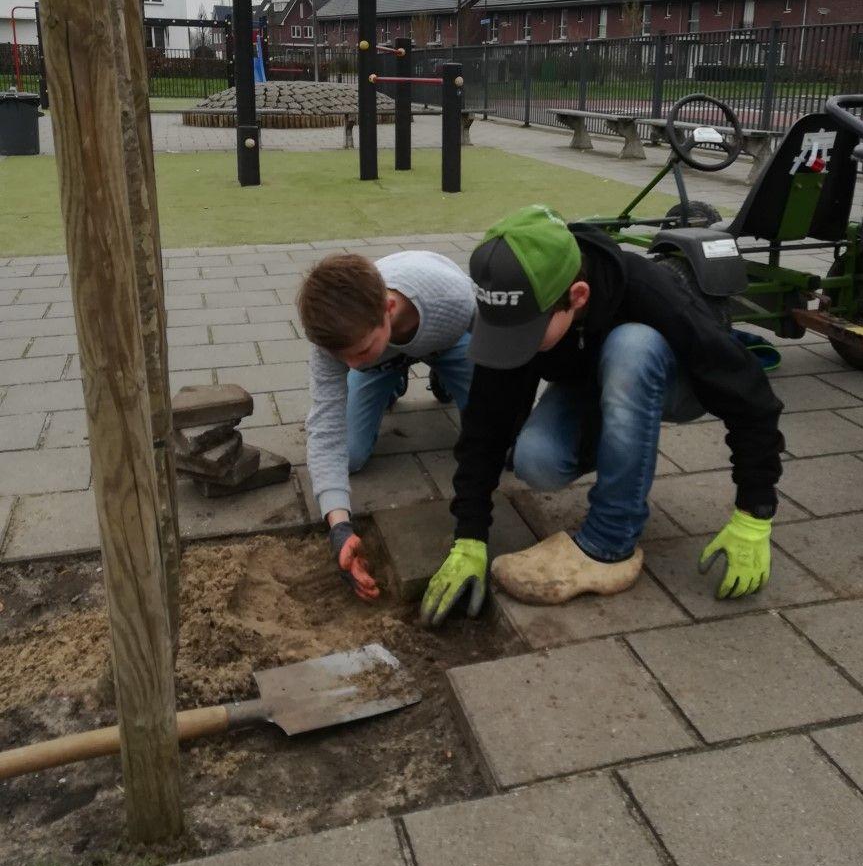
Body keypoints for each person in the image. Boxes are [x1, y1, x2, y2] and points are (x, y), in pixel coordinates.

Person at [420, 205, 784, 625]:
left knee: (632, 347)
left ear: (578, 296)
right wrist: (468, 536)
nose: (512, 347)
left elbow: (752, 395)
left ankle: (610, 544)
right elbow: (484, 423)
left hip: (678, 380)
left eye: (527, 333)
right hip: (593, 383)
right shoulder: (516, 303)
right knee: (535, 460)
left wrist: (754, 513)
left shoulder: (649, 291)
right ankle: (622, 450)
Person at [298, 250, 475, 601]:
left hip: (449, 337)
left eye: (358, 352)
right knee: (349, 454)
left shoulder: (456, 298)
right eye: (341, 358)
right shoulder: (336, 342)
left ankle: (443, 375)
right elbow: (326, 428)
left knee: (498, 434)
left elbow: (505, 367)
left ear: (388, 310)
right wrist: (339, 528)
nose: (348, 365)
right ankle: (392, 379)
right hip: (384, 357)